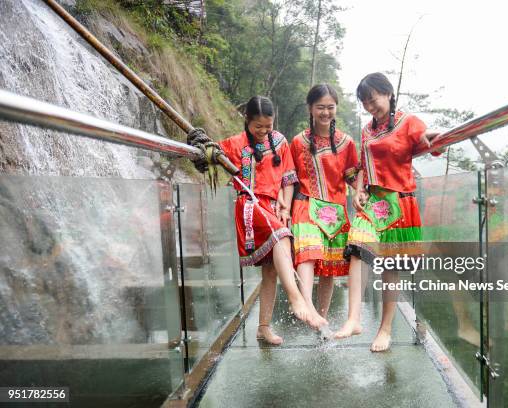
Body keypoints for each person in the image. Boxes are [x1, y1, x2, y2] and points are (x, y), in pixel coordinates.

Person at [189, 96, 327, 345]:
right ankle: (298, 299)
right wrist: (200, 147)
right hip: (250, 206)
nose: (263, 132)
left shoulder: (280, 142)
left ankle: (263, 328)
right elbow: (204, 155)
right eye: (258, 127)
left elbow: (288, 178)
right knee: (282, 237)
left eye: (268, 126)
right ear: (247, 121)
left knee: (271, 270)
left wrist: (284, 205)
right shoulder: (235, 144)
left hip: (274, 207)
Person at [335, 73, 441, 351]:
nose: (371, 107)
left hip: (399, 202)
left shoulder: (408, 121)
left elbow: (424, 136)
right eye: (366, 103)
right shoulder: (367, 130)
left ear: (388, 93)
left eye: (374, 100)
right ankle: (354, 318)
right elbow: (362, 164)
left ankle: (385, 330)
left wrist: (428, 137)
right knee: (356, 247)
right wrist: (358, 189)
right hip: (373, 201)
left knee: (389, 269)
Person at [290, 84, 360, 321]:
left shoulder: (347, 142)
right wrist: (283, 206)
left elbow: (352, 175)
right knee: (307, 254)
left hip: (334, 210)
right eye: (320, 107)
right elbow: (289, 177)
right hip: (305, 204)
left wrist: (362, 192)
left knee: (329, 268)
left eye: (330, 107)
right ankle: (307, 306)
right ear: (310, 108)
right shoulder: (298, 142)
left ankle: (321, 317)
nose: (325, 112)